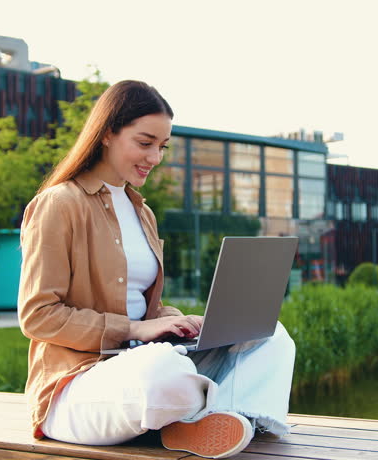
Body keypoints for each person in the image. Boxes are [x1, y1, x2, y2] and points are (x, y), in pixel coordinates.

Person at [17, 80, 296, 459]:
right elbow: (38, 317)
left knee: (270, 336)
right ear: (107, 134)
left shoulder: (141, 211)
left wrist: (180, 322)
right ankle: (215, 413)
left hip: (138, 358)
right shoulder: (59, 203)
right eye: (145, 143)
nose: (155, 157)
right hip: (80, 386)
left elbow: (145, 309)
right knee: (160, 368)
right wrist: (132, 330)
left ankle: (227, 422)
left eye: (162, 147)